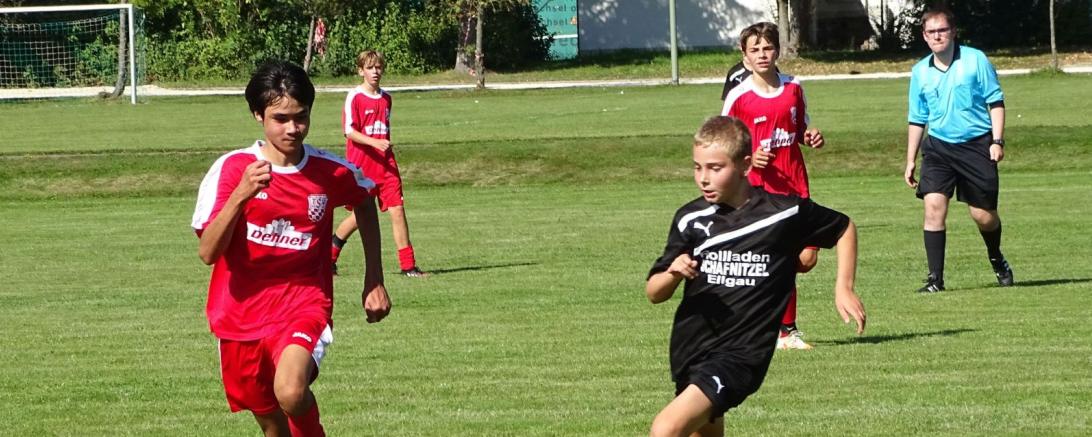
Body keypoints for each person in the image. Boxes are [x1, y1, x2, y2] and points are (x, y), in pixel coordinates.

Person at [191, 60, 392, 437]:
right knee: (272, 424)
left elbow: (365, 201)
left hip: (304, 304)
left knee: (291, 390)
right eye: (280, 118)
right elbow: (208, 253)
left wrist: (374, 279)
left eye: (300, 117)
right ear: (257, 116)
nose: (293, 128)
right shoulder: (232, 170)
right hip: (239, 315)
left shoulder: (331, 172)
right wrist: (239, 198)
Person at [645, 116, 865, 437]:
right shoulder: (690, 218)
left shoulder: (783, 213)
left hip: (741, 354)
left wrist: (844, 287)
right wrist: (674, 273)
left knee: (665, 428)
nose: (703, 178)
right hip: (690, 349)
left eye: (715, 168)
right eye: (697, 167)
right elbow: (654, 292)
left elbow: (843, 227)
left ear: (745, 165)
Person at [719, 22, 825, 350]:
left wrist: (811, 137)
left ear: (777, 50)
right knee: (782, 255)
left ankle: (763, 304)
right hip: (758, 190)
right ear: (745, 56)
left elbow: (800, 129)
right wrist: (750, 157)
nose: (762, 55)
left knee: (806, 259)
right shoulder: (738, 96)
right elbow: (722, 143)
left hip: (796, 184)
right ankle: (786, 331)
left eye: (767, 48)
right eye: (755, 50)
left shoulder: (794, 88)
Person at [904, 7, 1013, 293]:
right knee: (934, 207)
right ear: (924, 36)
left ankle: (996, 257)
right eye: (931, 31)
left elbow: (996, 102)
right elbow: (917, 118)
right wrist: (910, 160)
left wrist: (997, 141)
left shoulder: (976, 60)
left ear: (953, 32)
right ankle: (935, 280)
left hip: (977, 145)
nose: (937, 35)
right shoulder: (919, 72)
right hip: (939, 147)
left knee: (983, 215)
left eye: (942, 30)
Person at [331, 50, 427, 277]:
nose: (375, 72)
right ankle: (329, 255)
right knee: (359, 216)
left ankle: (408, 266)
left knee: (398, 210)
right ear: (361, 71)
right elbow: (349, 131)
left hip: (386, 166)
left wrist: (382, 147)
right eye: (370, 68)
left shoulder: (386, 99)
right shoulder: (354, 96)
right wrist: (375, 143)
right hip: (362, 168)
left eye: (378, 67)